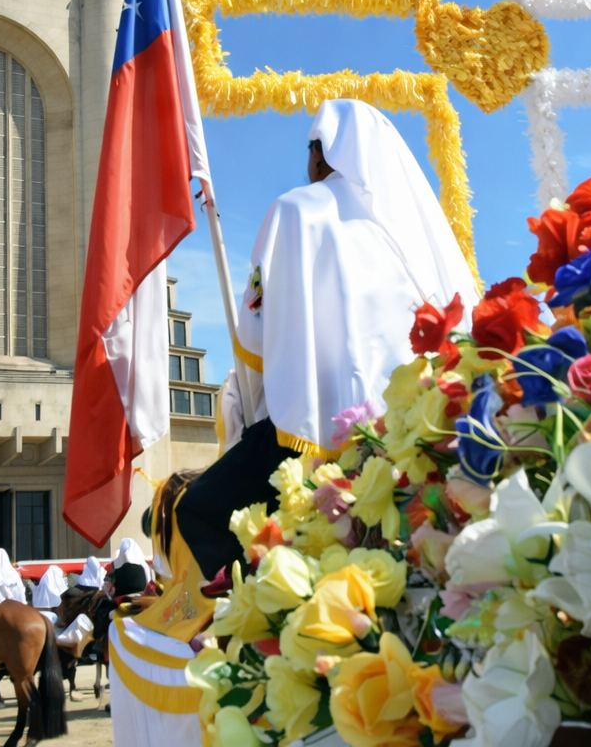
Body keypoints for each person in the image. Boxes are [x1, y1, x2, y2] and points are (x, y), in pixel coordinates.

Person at [176, 100, 479, 579]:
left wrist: (254, 422)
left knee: (197, 511)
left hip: (311, 436)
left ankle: (246, 632)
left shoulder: (295, 209)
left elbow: (255, 338)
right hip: (408, 435)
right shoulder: (407, 239)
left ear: (321, 153)